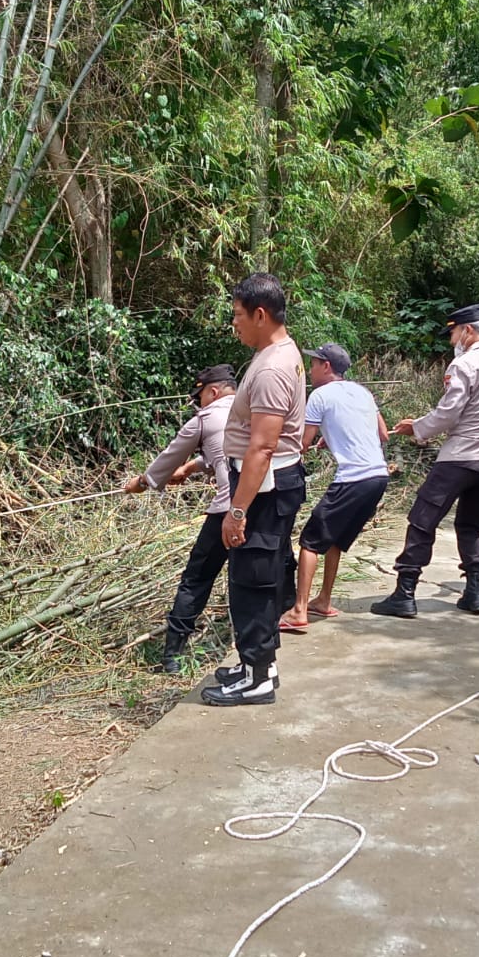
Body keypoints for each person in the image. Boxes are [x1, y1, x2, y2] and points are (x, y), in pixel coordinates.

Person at [204, 273, 307, 708]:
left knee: (253, 581)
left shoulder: (271, 368)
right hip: (270, 484)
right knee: (263, 576)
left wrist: (237, 511)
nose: (235, 325)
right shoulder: (278, 353)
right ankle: (258, 664)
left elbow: (262, 447)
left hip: (263, 489)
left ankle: (257, 678)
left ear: (260, 315)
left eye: (238, 317)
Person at [372, 303, 479, 619]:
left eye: (453, 333)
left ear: (468, 330)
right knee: (470, 524)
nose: (452, 341)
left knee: (422, 520)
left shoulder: (464, 365)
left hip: (461, 457)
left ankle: (404, 592)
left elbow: (449, 413)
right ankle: (475, 592)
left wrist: (416, 428)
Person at [122, 365, 238, 674]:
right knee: (266, 572)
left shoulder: (204, 419)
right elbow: (224, 451)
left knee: (196, 579)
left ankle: (172, 657)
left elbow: (168, 458)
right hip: (262, 505)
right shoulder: (254, 409)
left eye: (199, 396)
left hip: (227, 510)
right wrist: (191, 469)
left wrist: (142, 482)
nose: (198, 403)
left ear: (212, 391)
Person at [279, 343, 389, 630]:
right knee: (335, 540)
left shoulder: (320, 395)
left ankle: (299, 610)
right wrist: (334, 434)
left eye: (313, 364)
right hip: (378, 477)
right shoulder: (362, 392)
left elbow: (301, 444)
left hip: (353, 478)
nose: (310, 369)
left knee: (310, 542)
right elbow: (383, 433)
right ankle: (323, 601)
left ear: (325, 366)